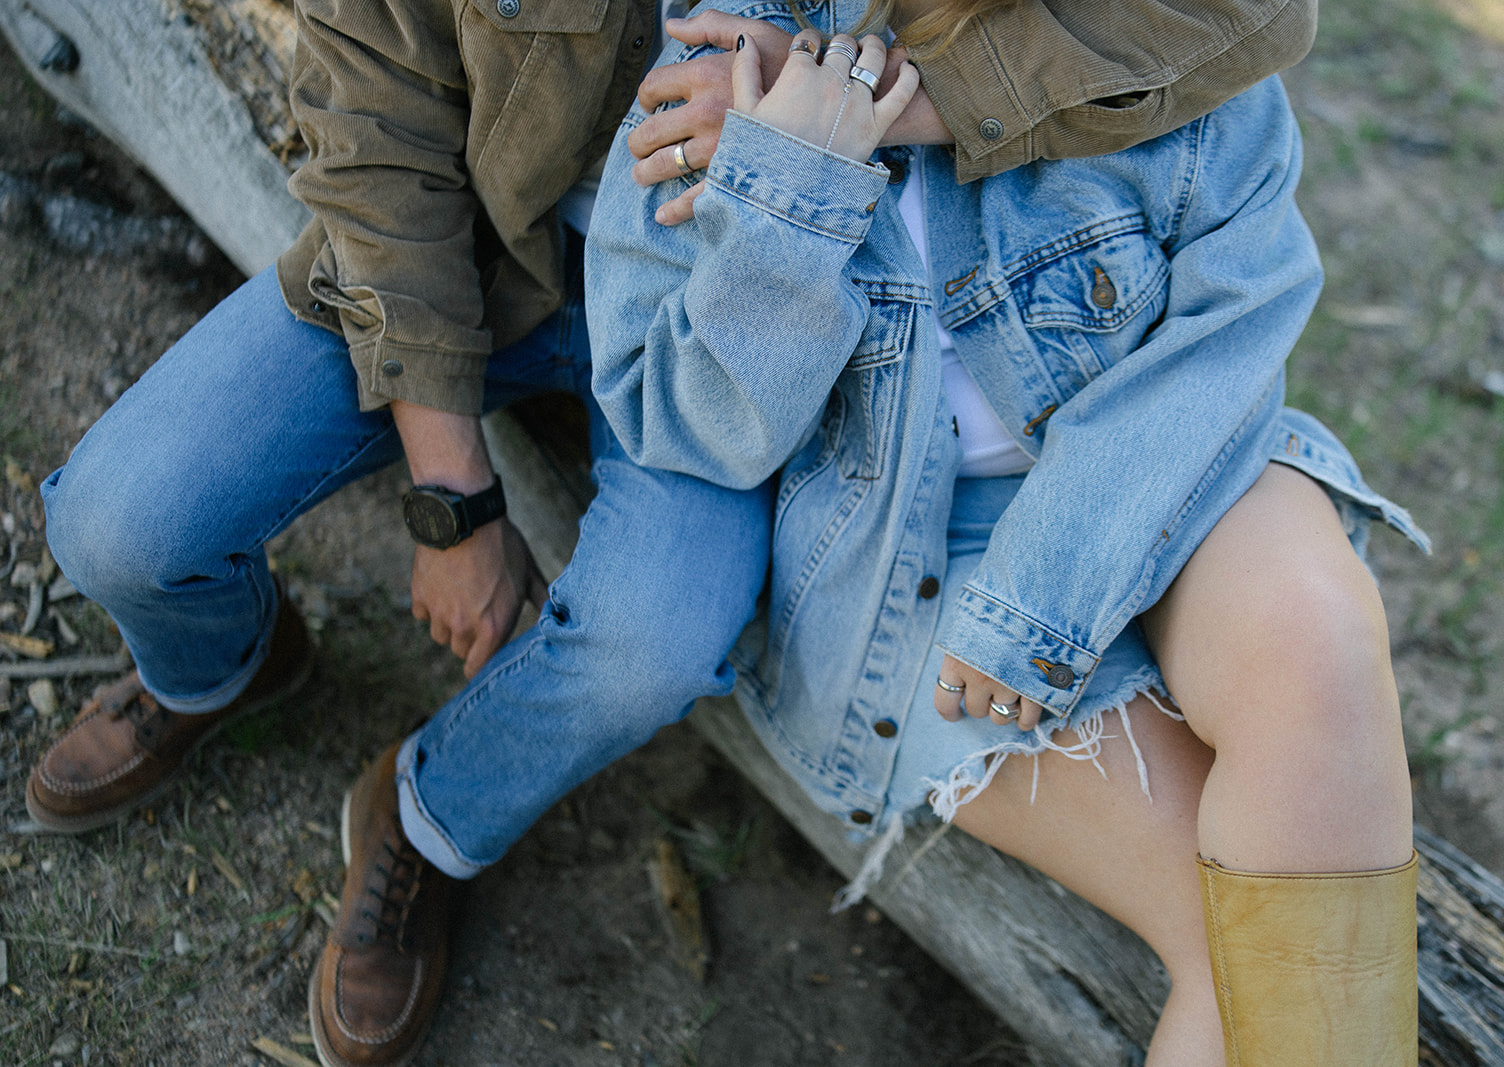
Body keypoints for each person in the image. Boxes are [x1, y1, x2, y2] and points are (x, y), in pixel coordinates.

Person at [23, 1, 1318, 1065]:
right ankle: (221, 663)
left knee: (657, 634)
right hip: (469, 261)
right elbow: (377, 136)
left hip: (745, 307)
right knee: (118, 517)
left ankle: (422, 817)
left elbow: (1239, 19)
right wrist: (452, 495)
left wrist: (873, 98)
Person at [585, 1, 1430, 1062]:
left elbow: (1241, 308)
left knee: (1316, 639)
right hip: (910, 557)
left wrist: (1048, 592)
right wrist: (792, 186)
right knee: (1257, 953)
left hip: (1167, 455)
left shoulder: (1158, 29)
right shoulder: (726, 46)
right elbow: (687, 428)